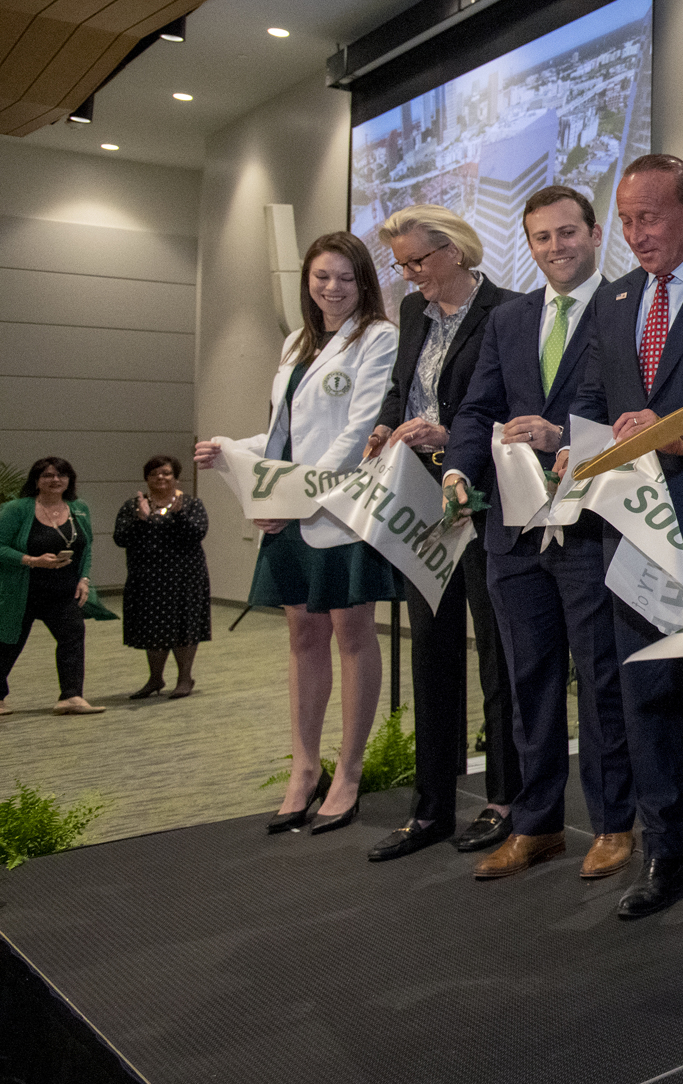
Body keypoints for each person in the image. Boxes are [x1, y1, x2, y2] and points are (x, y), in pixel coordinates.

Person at [566, 154, 683, 920]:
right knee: (647, 693)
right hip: (635, 531)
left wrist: (678, 436)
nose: (636, 233)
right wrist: (568, 439)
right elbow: (592, 392)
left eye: (649, 217)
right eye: (626, 220)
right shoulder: (613, 300)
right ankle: (664, 853)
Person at [442, 186, 635, 886]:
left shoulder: (626, 308)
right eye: (542, 238)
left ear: (593, 232)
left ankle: (616, 823)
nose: (556, 247)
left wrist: (566, 436)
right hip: (513, 531)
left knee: (600, 679)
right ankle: (538, 824)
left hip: (587, 525)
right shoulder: (510, 319)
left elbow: (631, 414)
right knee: (529, 682)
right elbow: (477, 407)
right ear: (527, 244)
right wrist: (459, 469)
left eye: (567, 233)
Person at [195, 231, 399, 835]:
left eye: (345, 278)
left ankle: (350, 773)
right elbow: (284, 435)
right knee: (301, 637)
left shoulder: (377, 338)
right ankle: (304, 770)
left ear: (363, 282)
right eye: (321, 278)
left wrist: (292, 495)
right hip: (290, 511)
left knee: (350, 632)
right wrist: (232, 449)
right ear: (305, 283)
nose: (332, 289)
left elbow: (353, 435)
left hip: (337, 510)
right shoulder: (294, 343)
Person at [362, 204, 522, 864]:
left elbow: (515, 408)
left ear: (453, 250)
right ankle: (430, 804)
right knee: (429, 649)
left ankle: (505, 799)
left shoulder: (508, 311)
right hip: (419, 496)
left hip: (482, 494)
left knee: (495, 650)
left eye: (417, 261)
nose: (408, 274)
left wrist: (449, 436)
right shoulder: (409, 313)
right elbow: (406, 387)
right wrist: (387, 423)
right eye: (400, 264)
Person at [0, 457, 104, 715]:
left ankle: (71, 696)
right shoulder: (17, 509)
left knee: (72, 636)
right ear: (36, 480)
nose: (55, 480)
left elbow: (86, 547)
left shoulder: (79, 507)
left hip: (63, 591)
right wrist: (31, 560)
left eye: (61, 475)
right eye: (47, 475)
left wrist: (84, 579)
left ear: (69, 480)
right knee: (7, 643)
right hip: (21, 591)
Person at [113, 455, 209, 700]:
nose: (161, 477)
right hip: (147, 577)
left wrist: (178, 516)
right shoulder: (133, 505)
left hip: (185, 577)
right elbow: (120, 538)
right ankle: (155, 678)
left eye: (166, 473)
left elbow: (197, 534)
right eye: (155, 473)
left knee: (184, 625)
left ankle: (184, 678)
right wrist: (141, 519)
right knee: (151, 627)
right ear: (146, 478)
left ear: (175, 477)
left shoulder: (191, 504)